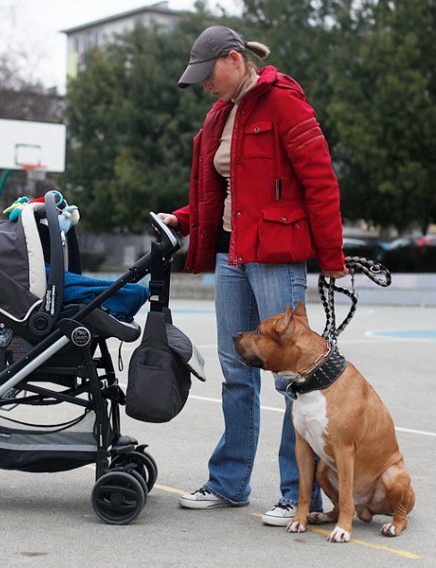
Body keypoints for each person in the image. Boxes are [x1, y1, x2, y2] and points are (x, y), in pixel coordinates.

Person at [158, 25, 348, 527]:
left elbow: (321, 181)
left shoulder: (285, 104)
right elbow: (220, 192)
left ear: (235, 60)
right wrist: (181, 217)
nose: (205, 86)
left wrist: (331, 257)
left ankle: (297, 494)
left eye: (208, 74)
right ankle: (229, 483)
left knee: (291, 376)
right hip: (230, 254)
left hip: (276, 256)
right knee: (235, 371)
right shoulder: (220, 113)